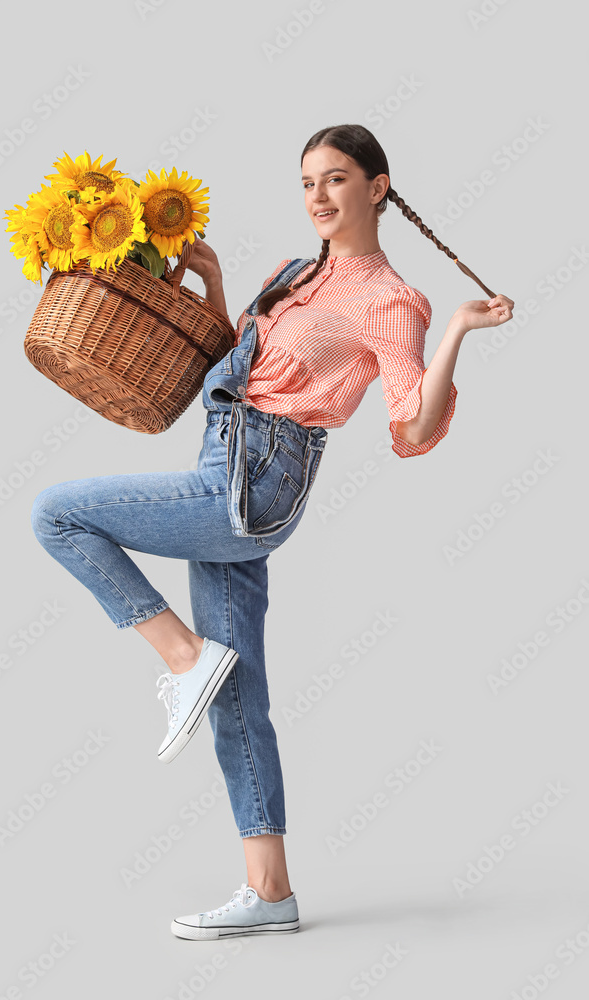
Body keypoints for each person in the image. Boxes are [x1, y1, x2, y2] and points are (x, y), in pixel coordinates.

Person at [30, 123, 514, 941]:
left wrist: (458, 333)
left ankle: (184, 658)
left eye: (335, 179)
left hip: (249, 485)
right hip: (225, 452)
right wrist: (217, 285)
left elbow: (410, 427)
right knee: (238, 696)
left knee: (57, 512)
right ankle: (270, 893)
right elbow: (234, 364)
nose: (318, 196)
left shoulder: (390, 300)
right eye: (305, 183)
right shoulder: (292, 275)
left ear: (377, 187)